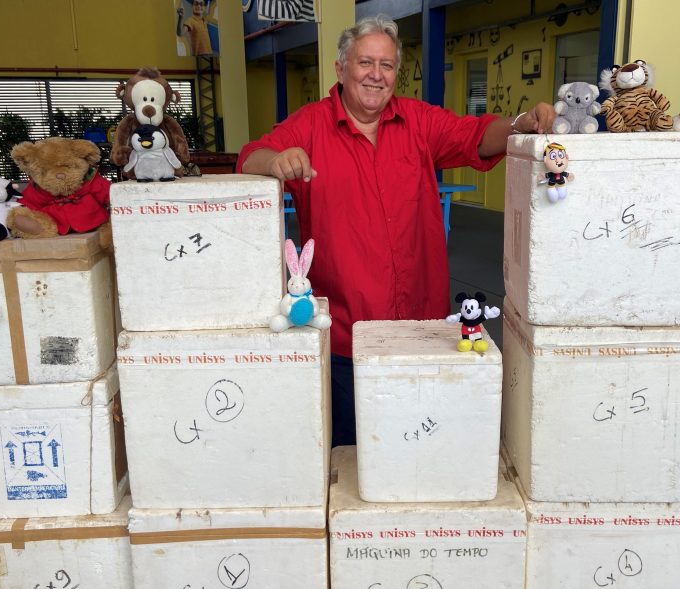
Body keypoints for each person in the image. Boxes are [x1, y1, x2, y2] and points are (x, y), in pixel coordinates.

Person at [237, 15, 554, 446]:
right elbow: (250, 155)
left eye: (386, 65)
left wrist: (520, 124)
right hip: (347, 336)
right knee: (355, 453)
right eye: (365, 62)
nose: (376, 74)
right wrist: (276, 160)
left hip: (422, 328)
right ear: (341, 69)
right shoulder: (310, 125)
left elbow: (476, 135)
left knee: (420, 445)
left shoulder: (418, 122)